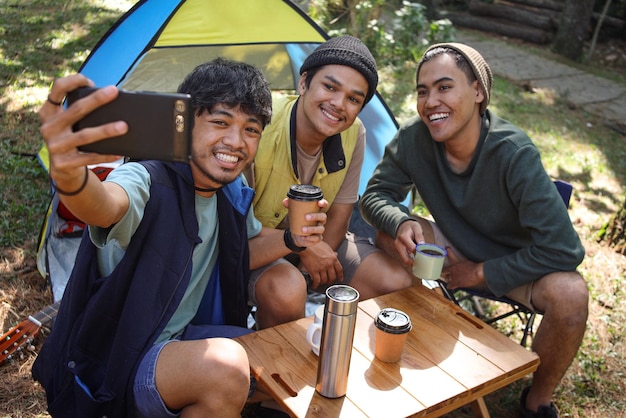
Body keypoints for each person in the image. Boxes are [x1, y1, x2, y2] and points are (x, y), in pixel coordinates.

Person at [31, 58, 327, 418]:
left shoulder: (229, 191)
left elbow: (242, 248)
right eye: (220, 122)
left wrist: (293, 239)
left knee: (284, 354)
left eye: (251, 129)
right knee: (227, 367)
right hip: (123, 359)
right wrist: (70, 176)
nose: (235, 142)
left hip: (183, 338)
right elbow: (105, 205)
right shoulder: (147, 179)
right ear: (185, 124)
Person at [359, 43, 588, 418]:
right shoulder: (415, 138)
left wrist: (482, 272)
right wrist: (401, 221)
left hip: (515, 264)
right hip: (452, 251)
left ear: (478, 92)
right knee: (390, 234)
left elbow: (564, 250)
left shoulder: (513, 152)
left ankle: (535, 402)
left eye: (444, 87)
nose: (431, 100)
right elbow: (375, 196)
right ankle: (421, 339)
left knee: (572, 294)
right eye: (423, 90)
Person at [246, 35, 414, 329]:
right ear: (303, 83)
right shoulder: (260, 123)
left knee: (396, 281)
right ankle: (271, 370)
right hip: (254, 246)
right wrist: (303, 250)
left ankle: (347, 355)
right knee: (287, 288)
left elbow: (340, 215)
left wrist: (315, 262)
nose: (338, 104)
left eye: (353, 99)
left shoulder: (354, 133)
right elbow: (236, 228)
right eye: (330, 87)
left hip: (316, 241)